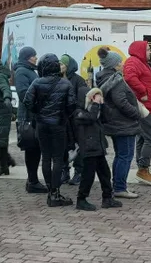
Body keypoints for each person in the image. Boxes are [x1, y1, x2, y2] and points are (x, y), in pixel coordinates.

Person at [97, 48, 151, 198]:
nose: (122, 64)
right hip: (123, 124)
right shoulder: (115, 80)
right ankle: (120, 187)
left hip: (116, 123)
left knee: (120, 155)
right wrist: (135, 113)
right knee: (125, 155)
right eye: (120, 62)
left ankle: (117, 185)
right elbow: (121, 102)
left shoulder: (105, 78)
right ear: (114, 65)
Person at [22, 54, 75, 207]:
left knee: (46, 157)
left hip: (42, 124)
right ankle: (55, 193)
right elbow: (72, 105)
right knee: (58, 159)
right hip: (58, 124)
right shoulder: (65, 84)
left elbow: (27, 101)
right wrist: (63, 115)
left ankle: (51, 191)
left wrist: (38, 112)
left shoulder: (37, 83)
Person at [72, 87, 121, 211]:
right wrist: (95, 103)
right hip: (88, 149)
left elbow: (108, 117)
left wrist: (102, 105)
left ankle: (107, 198)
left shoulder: (97, 110)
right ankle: (81, 199)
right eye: (94, 96)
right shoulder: (79, 112)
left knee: (105, 173)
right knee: (88, 175)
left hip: (98, 147)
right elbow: (91, 118)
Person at [122, 41, 151, 184]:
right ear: (140, 50)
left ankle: (143, 170)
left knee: (143, 138)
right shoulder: (133, 62)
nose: (150, 52)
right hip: (144, 108)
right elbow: (129, 78)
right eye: (147, 49)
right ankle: (143, 169)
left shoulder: (141, 63)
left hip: (149, 107)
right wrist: (143, 91)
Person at [12, 47, 46, 194]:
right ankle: (32, 181)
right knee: (32, 149)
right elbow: (23, 93)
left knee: (35, 149)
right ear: (27, 57)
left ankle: (33, 180)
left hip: (33, 115)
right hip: (28, 117)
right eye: (33, 56)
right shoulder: (22, 72)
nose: (36, 58)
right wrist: (38, 101)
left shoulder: (30, 70)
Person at [59, 55, 86, 185]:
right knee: (63, 146)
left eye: (62, 64)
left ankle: (79, 172)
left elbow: (82, 99)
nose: (60, 66)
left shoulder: (78, 80)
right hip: (63, 120)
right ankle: (64, 171)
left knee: (78, 146)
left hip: (75, 120)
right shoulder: (57, 79)